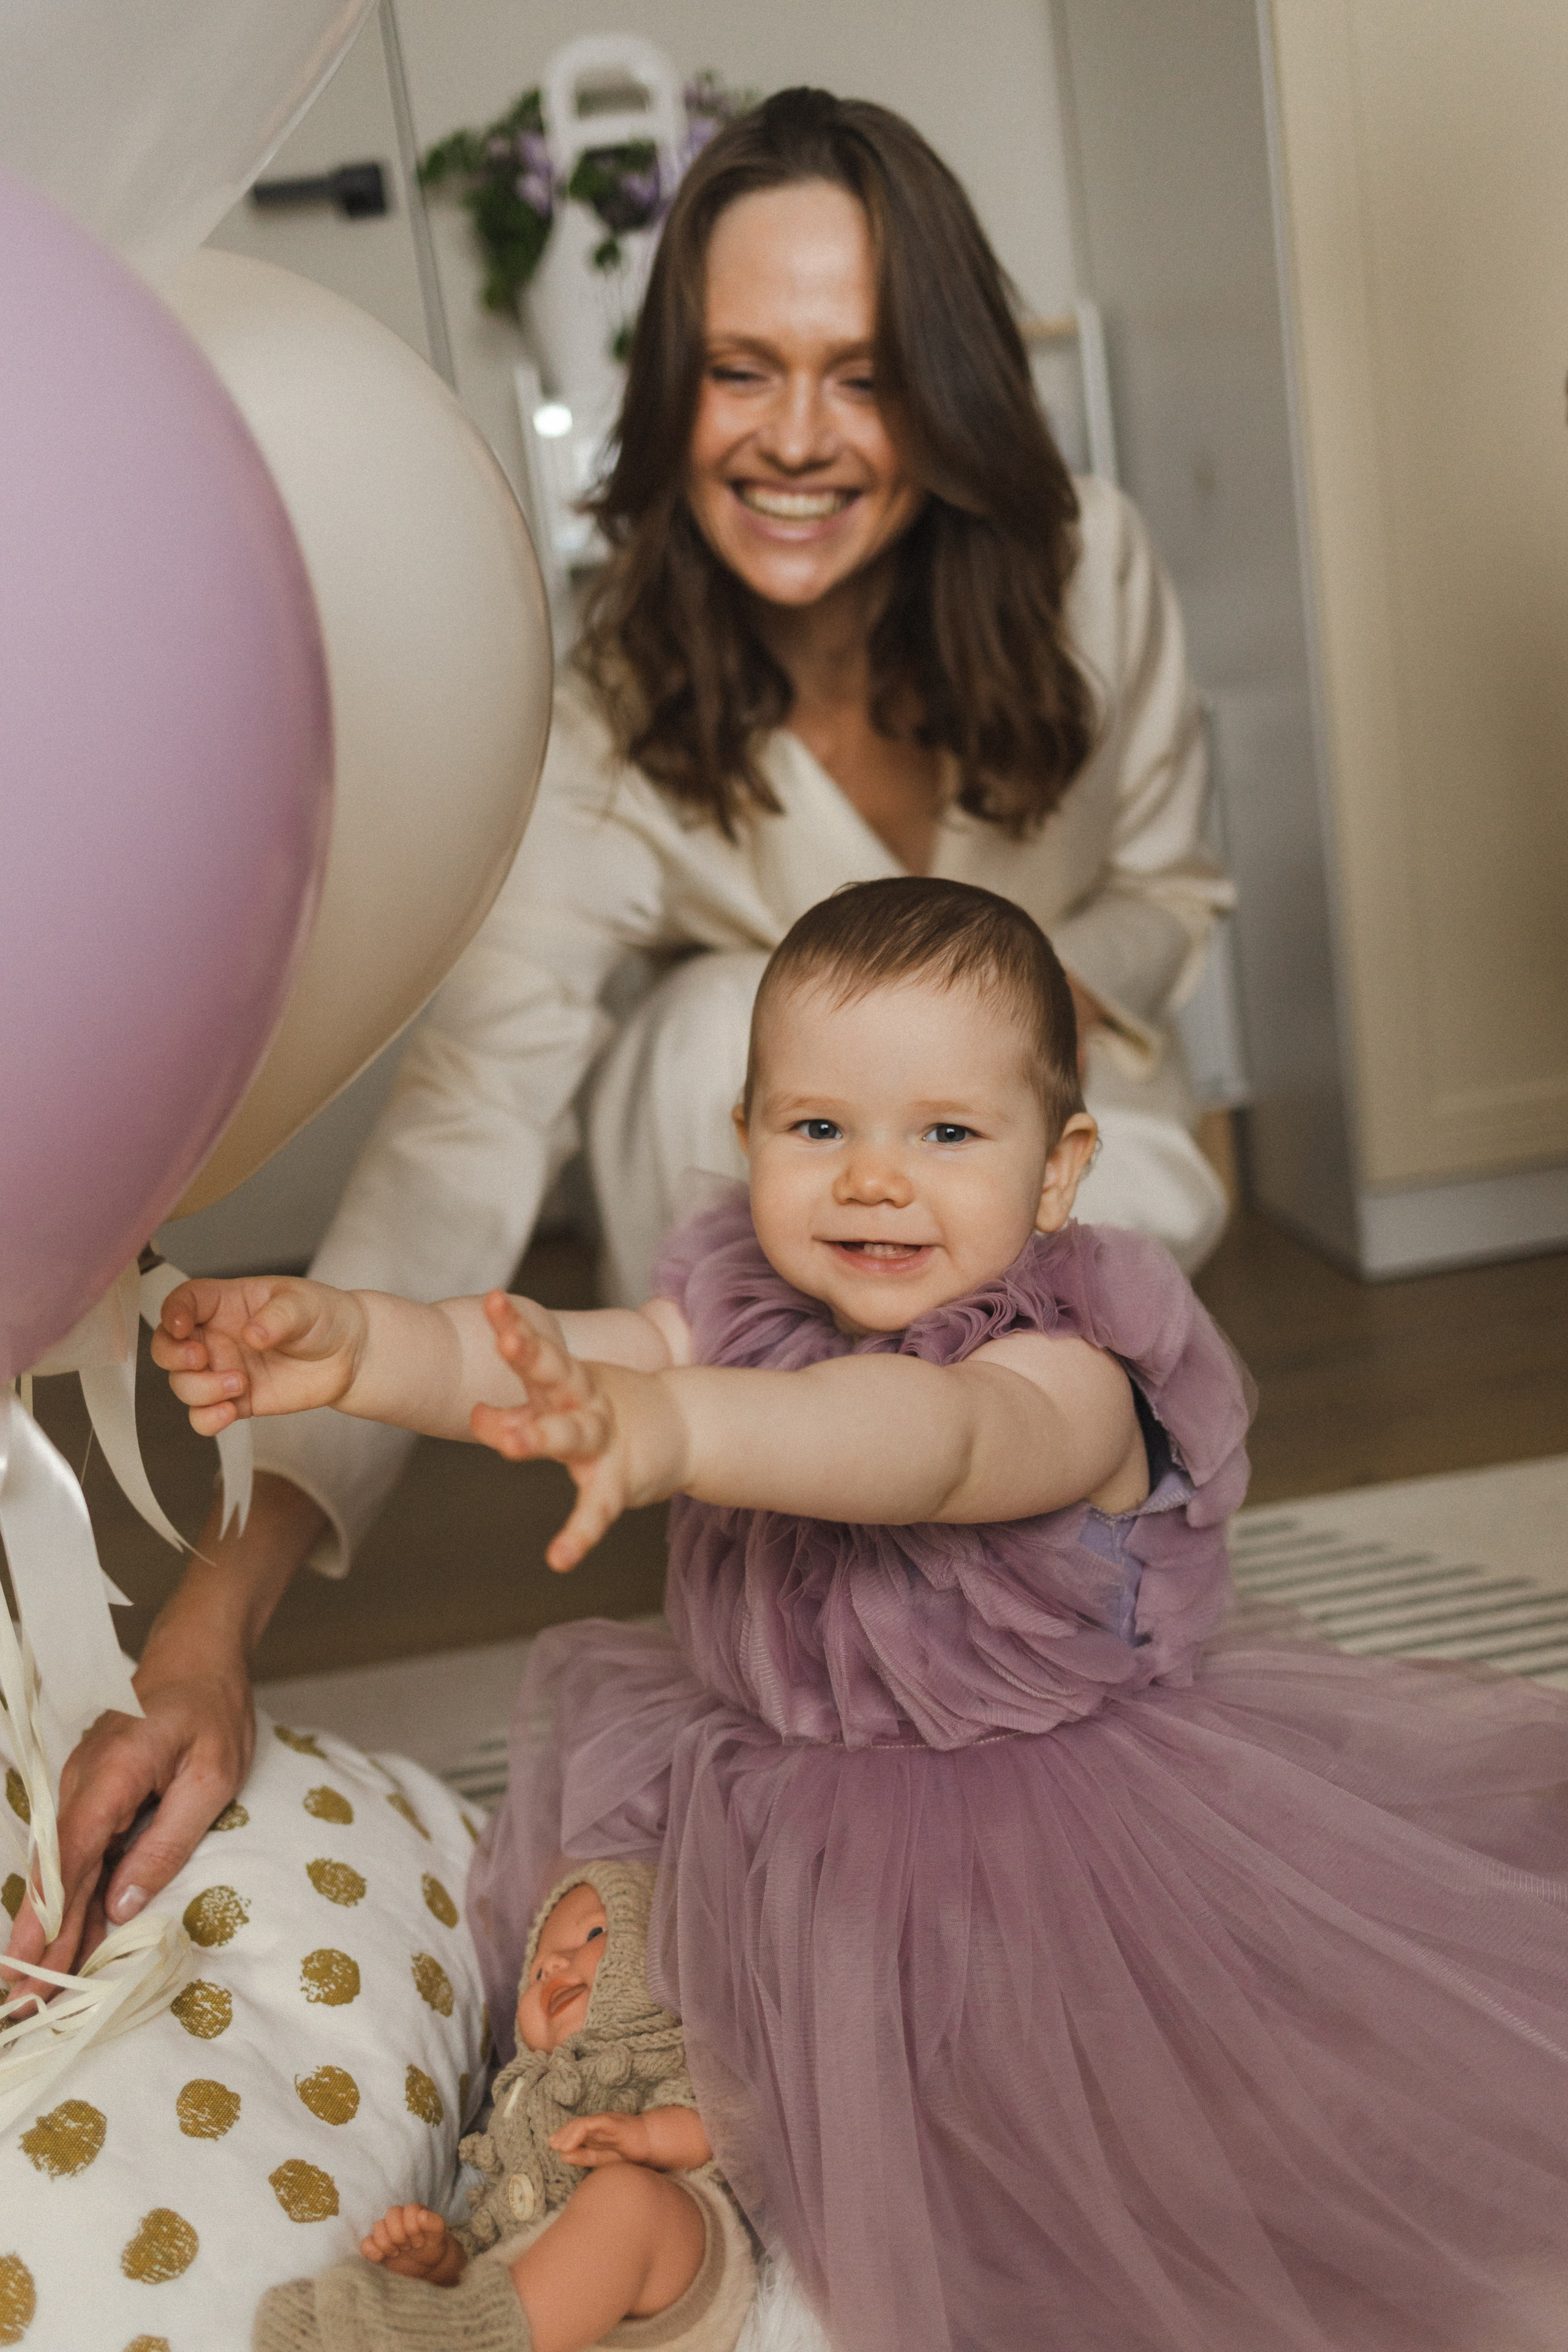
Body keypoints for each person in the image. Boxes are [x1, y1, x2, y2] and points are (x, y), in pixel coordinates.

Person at [9, 86, 1234, 1985]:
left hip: (1078, 1177)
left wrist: (1040, 999)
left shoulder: (1094, 571)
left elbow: (1176, 884)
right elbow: (465, 1135)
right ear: (671, 393)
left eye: (861, 375)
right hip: (765, 1287)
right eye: (741, 371)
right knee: (712, 1030)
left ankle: (1044, 1592)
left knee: (1045, 1300)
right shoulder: (615, 690)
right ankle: (786, 1560)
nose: (797, 437)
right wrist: (209, 1624)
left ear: (950, 394)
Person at [158, 880, 1568, 2352]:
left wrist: (670, 1425)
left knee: (1098, 2149)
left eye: (945, 1133)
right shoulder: (737, 1304)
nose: (874, 1180)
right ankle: (598, 2242)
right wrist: (363, 1346)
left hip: (1030, 1842)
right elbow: (527, 1349)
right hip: (761, 1788)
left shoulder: (1071, 1370)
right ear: (747, 1137)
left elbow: (923, 1444)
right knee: (615, 2040)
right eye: (817, 1127)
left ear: (1055, 1170)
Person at [256, 1860, 754, 2352]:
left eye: (595, 1933)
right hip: (553, 2323)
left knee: (629, 2199)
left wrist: (649, 2135)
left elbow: (724, 2126)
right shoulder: (521, 2102)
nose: (552, 1966)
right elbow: (503, 2227)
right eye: (537, 1971)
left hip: (677, 2283)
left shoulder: (675, 2041)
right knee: (511, 2274)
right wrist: (444, 2263)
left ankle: (460, 2333)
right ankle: (444, 2323)